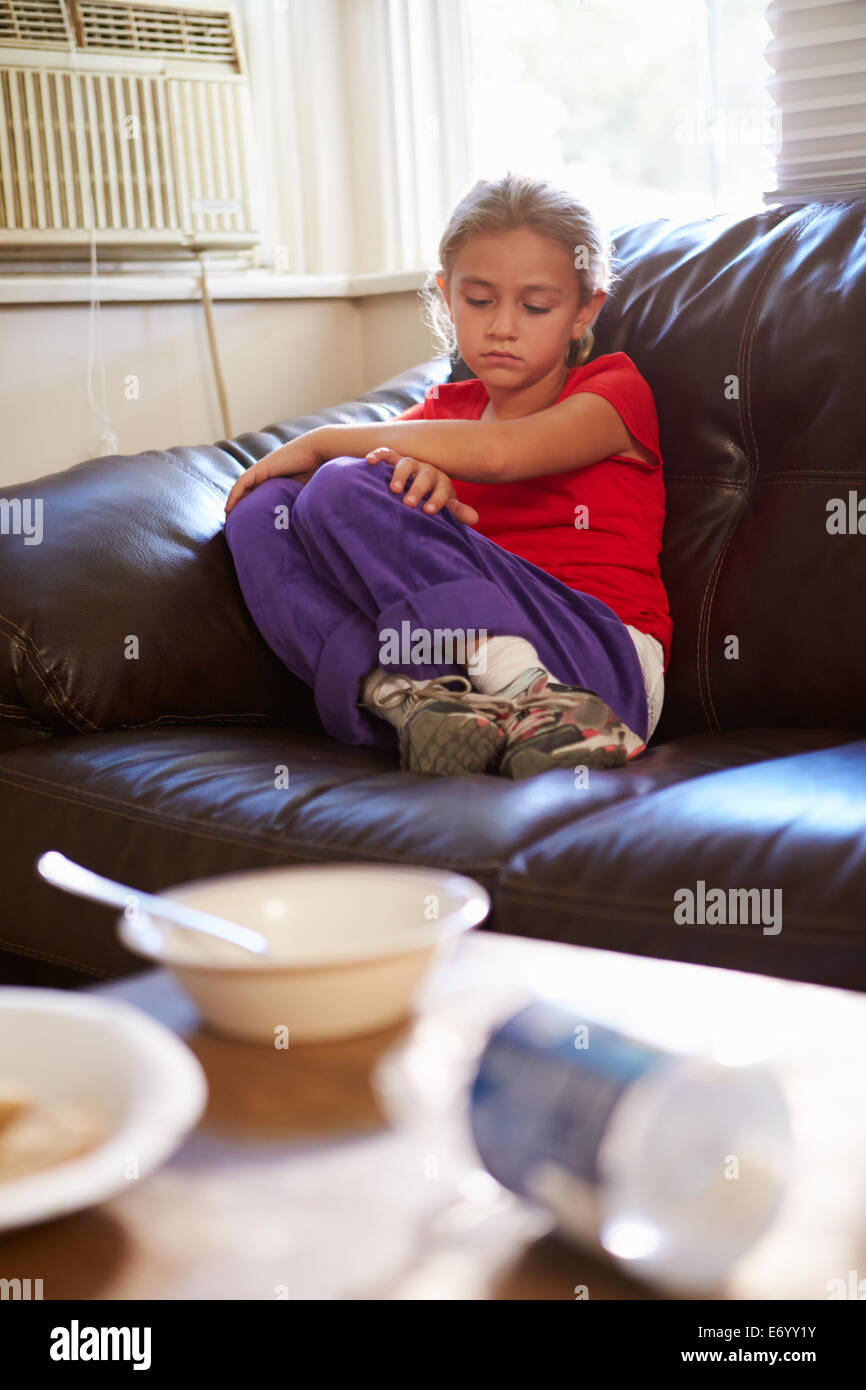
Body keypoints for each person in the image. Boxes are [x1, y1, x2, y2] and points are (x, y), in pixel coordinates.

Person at [223, 172, 672, 780]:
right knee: (262, 510)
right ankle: (414, 706)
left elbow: (499, 454)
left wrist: (325, 444)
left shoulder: (614, 393)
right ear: (446, 296)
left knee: (337, 480)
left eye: (536, 305)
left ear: (583, 310)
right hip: (451, 669)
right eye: (479, 300)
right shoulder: (438, 416)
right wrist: (402, 498)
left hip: (603, 662)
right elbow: (332, 511)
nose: (503, 326)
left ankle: (533, 693)